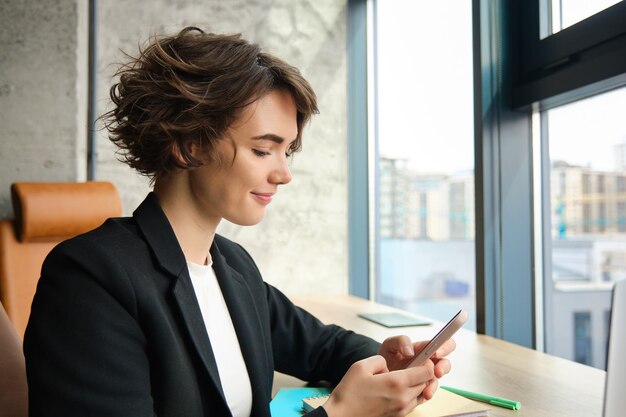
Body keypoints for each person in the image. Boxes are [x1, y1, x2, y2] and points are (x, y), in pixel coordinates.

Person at [23, 27, 455, 417]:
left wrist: (388, 360)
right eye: (264, 150)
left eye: (288, 152)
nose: (284, 173)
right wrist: (338, 415)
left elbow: (321, 346)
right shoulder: (89, 279)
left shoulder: (233, 268)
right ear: (188, 145)